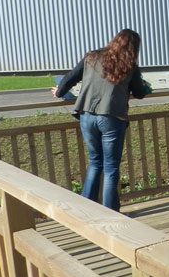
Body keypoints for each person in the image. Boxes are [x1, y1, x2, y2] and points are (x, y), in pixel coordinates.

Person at [52, 29, 148, 211]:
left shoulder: (92, 57)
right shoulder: (129, 65)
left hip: (86, 115)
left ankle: (85, 210)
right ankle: (111, 214)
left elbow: (69, 78)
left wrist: (58, 92)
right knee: (111, 168)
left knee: (95, 162)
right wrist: (145, 86)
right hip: (112, 118)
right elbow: (139, 93)